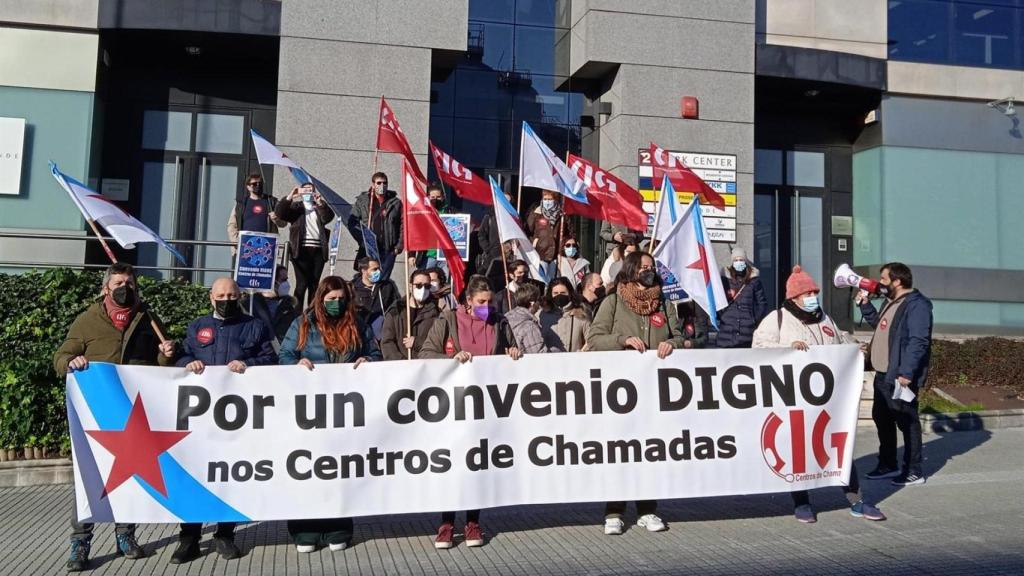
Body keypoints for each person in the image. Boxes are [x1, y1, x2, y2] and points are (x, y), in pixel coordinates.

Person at [53, 263, 177, 572]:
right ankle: (80, 543)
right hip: (98, 416)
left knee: (132, 476)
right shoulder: (87, 321)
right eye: (119, 282)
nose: (125, 288)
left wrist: (167, 353)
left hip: (135, 417)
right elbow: (60, 357)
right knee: (90, 480)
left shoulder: (148, 319)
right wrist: (72, 360)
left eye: (130, 283)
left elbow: (161, 366)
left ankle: (126, 536)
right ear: (106, 288)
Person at [752, 265, 886, 524]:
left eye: (815, 291)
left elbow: (840, 341)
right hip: (794, 399)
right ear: (794, 298)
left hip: (828, 399)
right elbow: (758, 347)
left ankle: (857, 500)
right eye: (808, 293)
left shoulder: (825, 318)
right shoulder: (777, 319)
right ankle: (802, 503)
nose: (813, 296)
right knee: (799, 453)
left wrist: (855, 350)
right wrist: (787, 347)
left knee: (839, 448)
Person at [171, 278, 277, 563]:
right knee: (195, 475)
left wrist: (249, 365)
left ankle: (225, 535)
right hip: (201, 419)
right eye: (221, 295)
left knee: (231, 475)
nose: (227, 300)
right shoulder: (197, 326)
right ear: (211, 297)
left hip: (236, 419)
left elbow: (271, 360)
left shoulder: (255, 325)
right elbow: (181, 355)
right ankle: (188, 537)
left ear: (240, 296)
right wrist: (185, 364)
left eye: (232, 295)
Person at [587, 251, 687, 535]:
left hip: (654, 391)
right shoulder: (615, 301)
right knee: (620, 450)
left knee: (649, 451)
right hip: (620, 391)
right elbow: (594, 338)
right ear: (631, 271)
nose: (649, 271)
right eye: (643, 267)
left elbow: (679, 335)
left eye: (651, 267)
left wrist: (672, 343)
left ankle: (647, 509)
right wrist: (622, 340)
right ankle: (614, 511)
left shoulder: (663, 303)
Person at [279, 276, 381, 553]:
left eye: (340, 299)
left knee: (338, 469)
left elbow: (375, 352)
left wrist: (368, 360)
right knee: (308, 468)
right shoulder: (302, 324)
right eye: (331, 299)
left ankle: (338, 527)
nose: (336, 304)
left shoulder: (358, 324)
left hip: (344, 412)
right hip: (309, 412)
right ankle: (305, 528)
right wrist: (296, 362)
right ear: (320, 298)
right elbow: (284, 355)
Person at [420, 275, 522, 549]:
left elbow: (510, 351)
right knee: (453, 464)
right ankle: (446, 522)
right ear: (468, 301)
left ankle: (473, 522)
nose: (486, 307)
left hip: (485, 406)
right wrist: (451, 359)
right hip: (453, 406)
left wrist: (512, 352)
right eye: (481, 302)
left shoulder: (499, 321)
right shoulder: (448, 320)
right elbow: (425, 354)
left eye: (489, 302)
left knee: (477, 464)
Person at [857, 262, 933, 487]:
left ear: (897, 282)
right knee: (882, 419)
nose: (880, 284)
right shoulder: (892, 302)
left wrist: (906, 372)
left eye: (884, 279)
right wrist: (865, 305)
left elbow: (918, 341)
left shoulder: (917, 306)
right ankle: (888, 464)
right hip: (883, 374)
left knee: (907, 421)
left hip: (900, 376)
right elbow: (878, 325)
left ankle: (913, 470)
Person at [274, 182, 335, 308]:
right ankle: (296, 314)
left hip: (318, 250)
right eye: (305, 190)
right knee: (301, 284)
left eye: (310, 190)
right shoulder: (296, 208)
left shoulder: (317, 207)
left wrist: (320, 203)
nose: (308, 192)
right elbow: (280, 213)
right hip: (300, 250)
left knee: (314, 284)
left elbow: (328, 217)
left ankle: (312, 313)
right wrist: (291, 195)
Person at [349, 172, 403, 281]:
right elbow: (352, 222)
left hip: (388, 249)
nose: (382, 186)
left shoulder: (395, 202)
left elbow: (403, 225)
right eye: (379, 183)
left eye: (384, 183)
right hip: (369, 248)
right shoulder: (363, 200)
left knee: (382, 280)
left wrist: (398, 247)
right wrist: (362, 239)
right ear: (373, 184)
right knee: (366, 279)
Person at [380, 269, 441, 360]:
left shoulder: (435, 313)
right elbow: (387, 342)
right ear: (410, 286)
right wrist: (402, 363)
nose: (423, 289)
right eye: (419, 285)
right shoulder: (396, 311)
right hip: (400, 368)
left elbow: (437, 342)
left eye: (427, 286)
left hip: (424, 366)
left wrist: (417, 342)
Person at [715, 246, 769, 349]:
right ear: (732, 262)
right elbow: (717, 300)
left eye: (741, 260)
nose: (738, 262)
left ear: (745, 261)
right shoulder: (725, 280)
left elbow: (762, 304)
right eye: (736, 260)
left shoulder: (754, 280)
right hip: (726, 334)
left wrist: (754, 320)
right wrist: (722, 316)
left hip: (747, 334)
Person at [241, 265, 299, 346]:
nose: (287, 284)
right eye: (283, 280)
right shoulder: (249, 306)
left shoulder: (288, 306)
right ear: (271, 281)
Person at [227, 173, 279, 255]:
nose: (258, 186)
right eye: (254, 184)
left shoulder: (271, 202)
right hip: (245, 247)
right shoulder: (241, 204)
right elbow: (232, 225)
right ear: (248, 187)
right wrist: (237, 242)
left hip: (266, 248)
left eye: (260, 183)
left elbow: (283, 223)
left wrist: (276, 218)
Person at [538, 277, 592, 352]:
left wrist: (581, 353)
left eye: (563, 293)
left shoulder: (581, 314)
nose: (559, 296)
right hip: (548, 361)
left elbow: (590, 340)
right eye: (555, 293)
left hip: (573, 361)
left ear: (569, 293)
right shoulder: (541, 315)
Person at [351, 257, 399, 340]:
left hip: (382, 334)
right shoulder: (352, 288)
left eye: (379, 268)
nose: (378, 272)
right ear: (364, 271)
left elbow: (395, 308)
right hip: (360, 332)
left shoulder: (387, 287)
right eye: (374, 269)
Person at [526, 190, 572, 266]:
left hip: (558, 255)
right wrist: (534, 243)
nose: (547, 202)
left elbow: (570, 232)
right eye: (545, 199)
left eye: (550, 199)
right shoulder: (536, 213)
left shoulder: (562, 214)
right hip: (540, 254)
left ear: (555, 200)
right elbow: (527, 231)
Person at [410, 183, 449, 272]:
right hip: (428, 256)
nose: (435, 199)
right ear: (428, 197)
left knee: (445, 284)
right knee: (425, 280)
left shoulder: (450, 211)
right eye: (433, 197)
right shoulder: (422, 213)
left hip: (445, 257)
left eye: (438, 197)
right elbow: (415, 234)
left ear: (443, 197)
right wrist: (411, 255)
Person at [502, 281, 547, 354]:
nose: (540, 303)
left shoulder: (506, 318)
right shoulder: (530, 326)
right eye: (539, 300)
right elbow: (539, 355)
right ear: (532, 303)